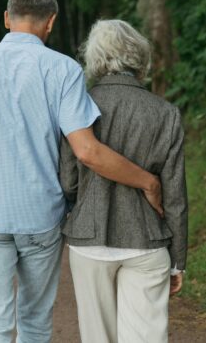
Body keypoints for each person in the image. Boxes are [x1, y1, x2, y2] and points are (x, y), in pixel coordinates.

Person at [0, 0, 164, 343]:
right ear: (51, 23)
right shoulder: (64, 70)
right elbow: (87, 151)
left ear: (6, 19)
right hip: (39, 219)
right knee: (34, 320)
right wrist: (148, 182)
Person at [59, 19, 187, 343]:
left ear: (96, 58)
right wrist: (178, 262)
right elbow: (174, 196)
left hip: (89, 240)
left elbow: (69, 182)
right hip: (147, 242)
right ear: (140, 59)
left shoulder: (78, 105)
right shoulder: (166, 113)